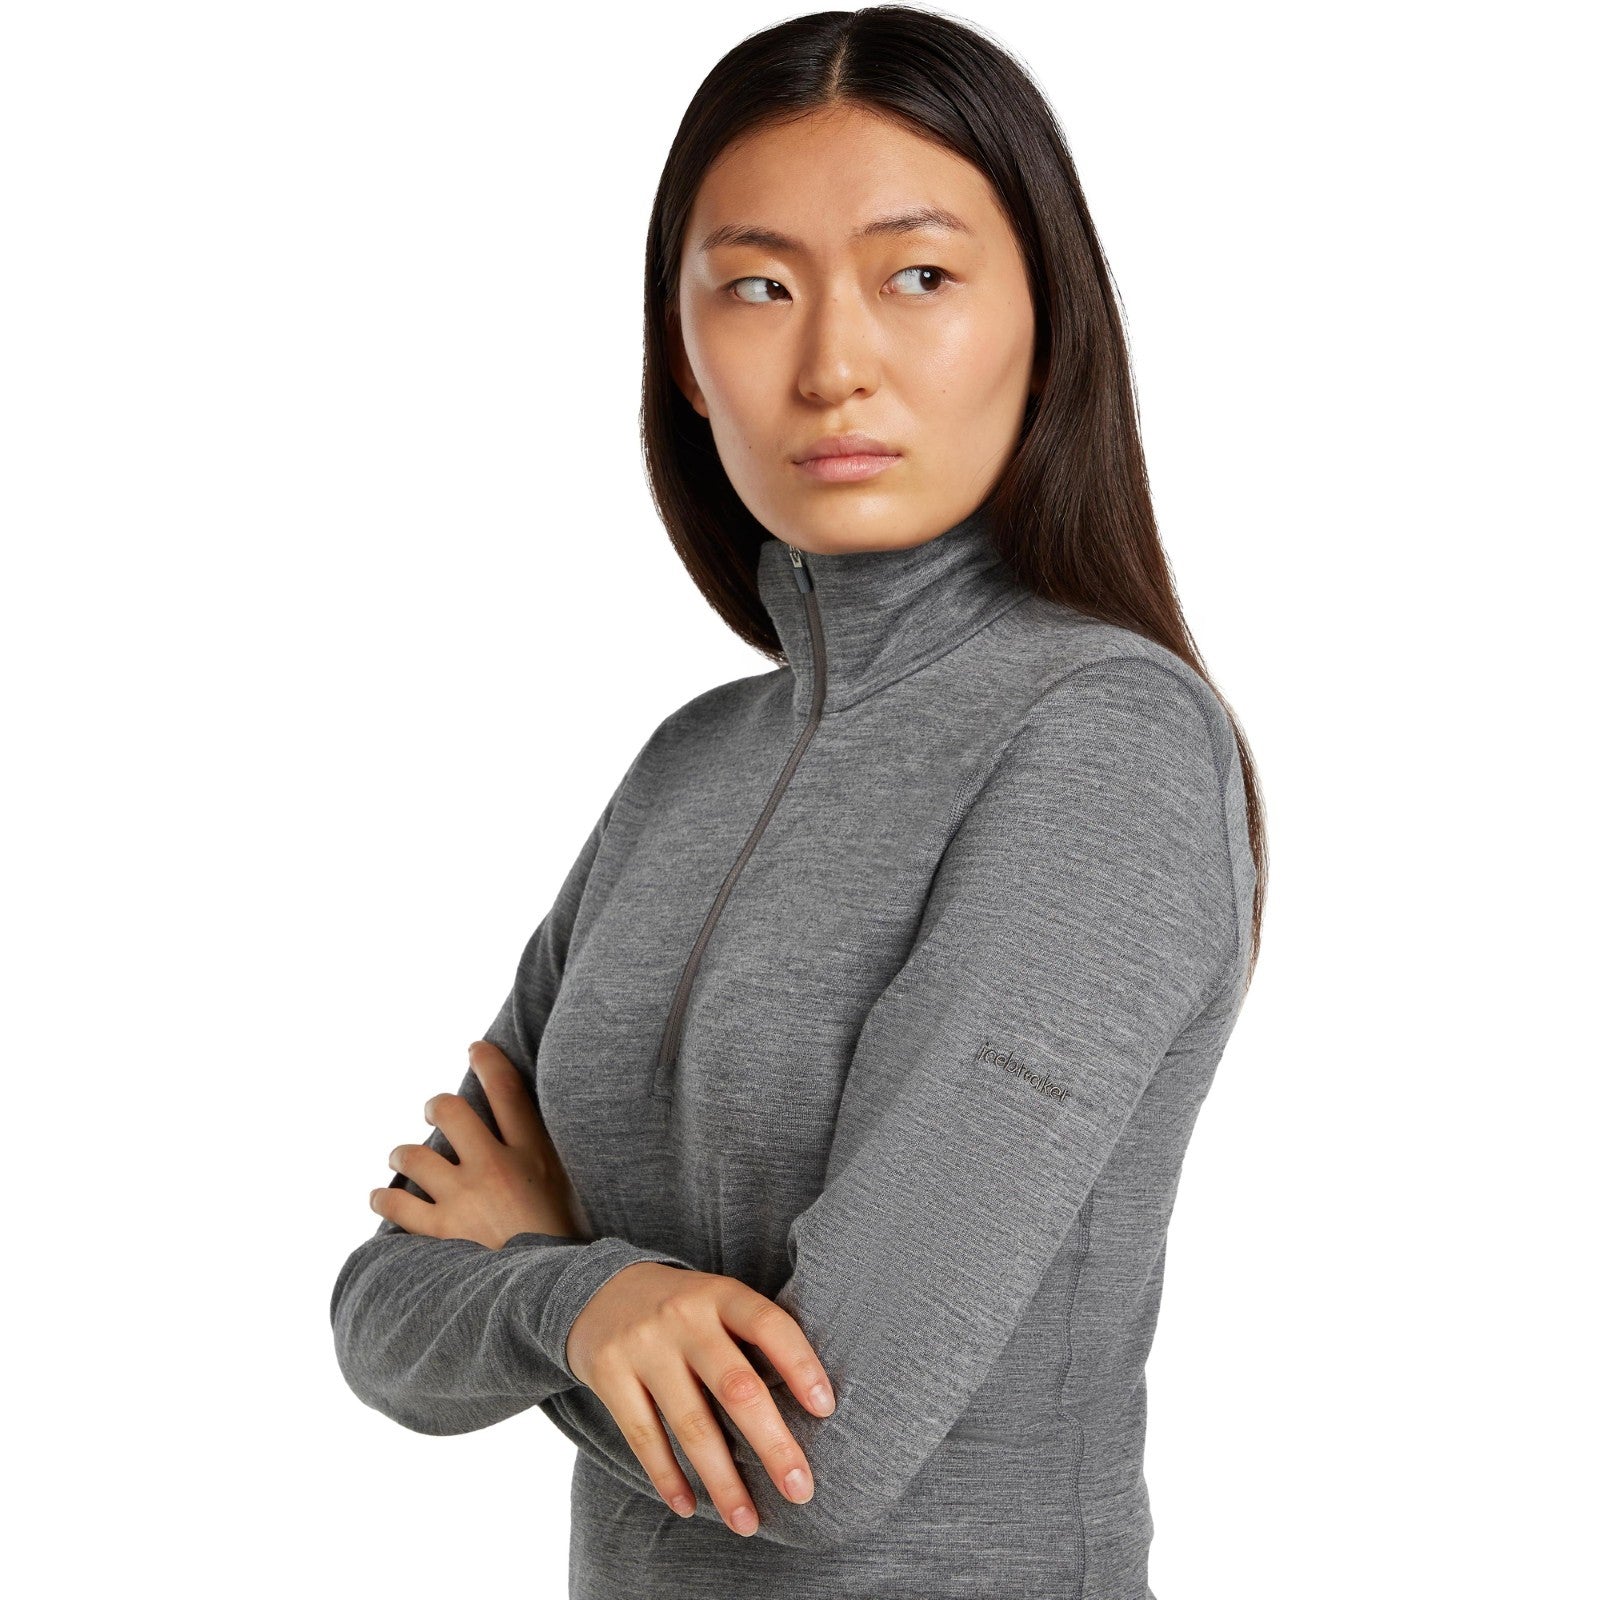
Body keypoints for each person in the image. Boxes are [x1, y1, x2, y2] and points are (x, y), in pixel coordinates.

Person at [329, 8, 1268, 1596]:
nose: (834, 366)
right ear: (683, 363)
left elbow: (825, 1446)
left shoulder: (1108, 742)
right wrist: (585, 1303)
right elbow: (378, 1314)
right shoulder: (686, 766)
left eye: (921, 276)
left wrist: (545, 1273)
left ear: (1048, 324)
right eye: (758, 288)